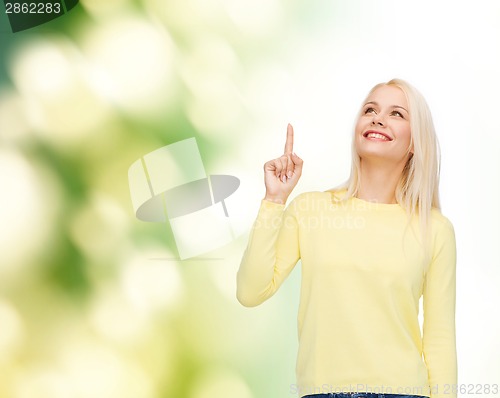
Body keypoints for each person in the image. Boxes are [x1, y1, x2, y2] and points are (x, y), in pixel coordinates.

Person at [236, 79, 457, 398]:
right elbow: (250, 291)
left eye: (396, 113)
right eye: (370, 109)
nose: (378, 118)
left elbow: (439, 341)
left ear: (414, 142)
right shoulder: (310, 209)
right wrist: (273, 200)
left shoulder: (435, 230)